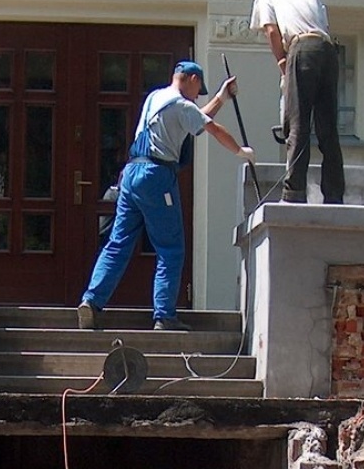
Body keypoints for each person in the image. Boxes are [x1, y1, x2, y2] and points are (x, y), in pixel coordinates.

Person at [77, 61, 255, 333]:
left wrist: (222, 97)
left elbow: (194, 120)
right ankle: (164, 316)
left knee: (118, 244)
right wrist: (240, 151)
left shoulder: (156, 97)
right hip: (156, 176)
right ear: (192, 79)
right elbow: (212, 128)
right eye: (199, 90)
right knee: (171, 249)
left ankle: (91, 301)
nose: (198, 96)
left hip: (131, 174)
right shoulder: (182, 105)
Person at [250, 0, 344, 206]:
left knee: (297, 125)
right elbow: (324, 31)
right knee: (328, 129)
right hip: (328, 52)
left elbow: (272, 31)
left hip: (301, 48)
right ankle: (334, 195)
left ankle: (294, 194)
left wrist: (283, 63)